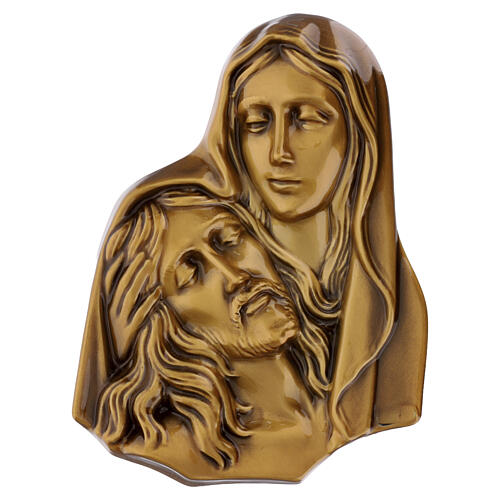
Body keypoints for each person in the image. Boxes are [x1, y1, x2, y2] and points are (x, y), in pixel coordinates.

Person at [74, 14, 427, 481]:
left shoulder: (391, 303)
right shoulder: (167, 218)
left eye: (307, 120)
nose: (279, 152)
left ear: (360, 133)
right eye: (257, 123)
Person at [92, 190, 332, 482]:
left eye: (230, 241)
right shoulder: (165, 445)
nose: (235, 277)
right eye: (191, 275)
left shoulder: (347, 397)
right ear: (167, 322)